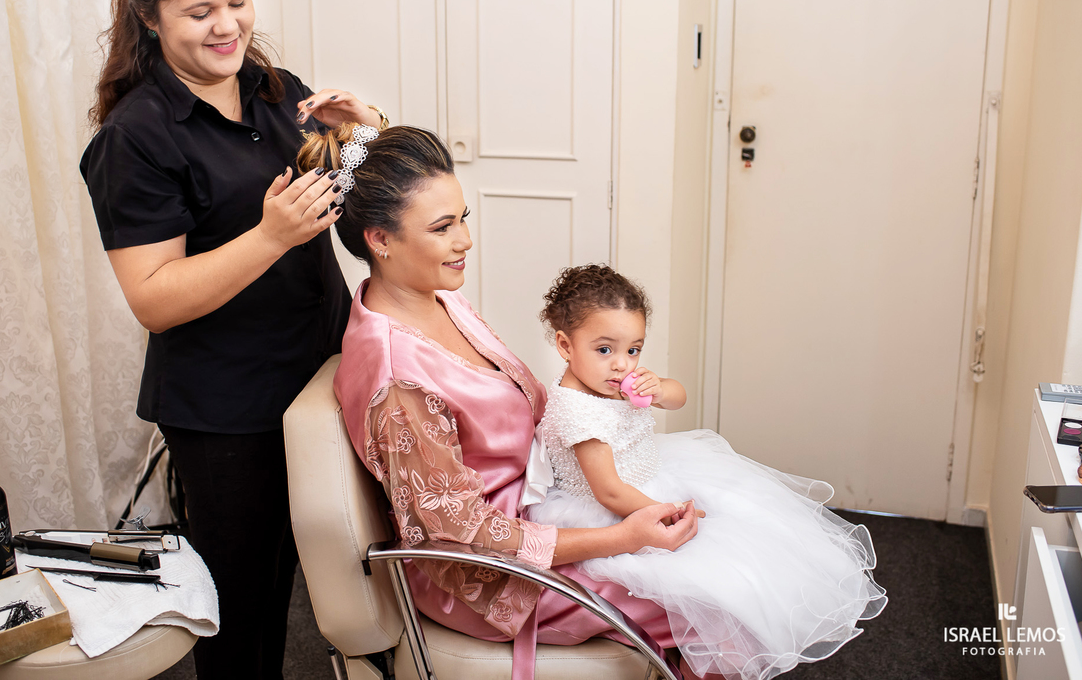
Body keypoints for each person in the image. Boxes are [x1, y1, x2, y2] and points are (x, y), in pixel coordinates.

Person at [79, 0, 386, 678]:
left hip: (321, 377)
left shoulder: (277, 90)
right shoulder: (136, 137)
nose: (228, 26)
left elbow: (354, 211)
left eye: (239, 1)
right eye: (201, 11)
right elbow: (152, 296)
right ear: (150, 17)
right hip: (228, 415)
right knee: (244, 613)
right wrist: (268, 236)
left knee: (337, 578)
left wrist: (370, 135)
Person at [298, 123, 712, 679]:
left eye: (462, 219)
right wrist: (624, 537)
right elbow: (460, 534)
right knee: (712, 602)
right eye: (443, 228)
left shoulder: (439, 300)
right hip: (492, 579)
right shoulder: (398, 382)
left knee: (721, 547)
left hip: (544, 506)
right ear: (380, 240)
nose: (464, 240)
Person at [527, 264, 888, 679]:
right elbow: (609, 492)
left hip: (652, 475)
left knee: (751, 539)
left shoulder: (611, 382)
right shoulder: (577, 411)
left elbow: (677, 397)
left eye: (634, 350)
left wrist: (659, 387)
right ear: (565, 345)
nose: (622, 366)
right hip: (614, 507)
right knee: (712, 584)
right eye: (605, 350)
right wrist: (669, 511)